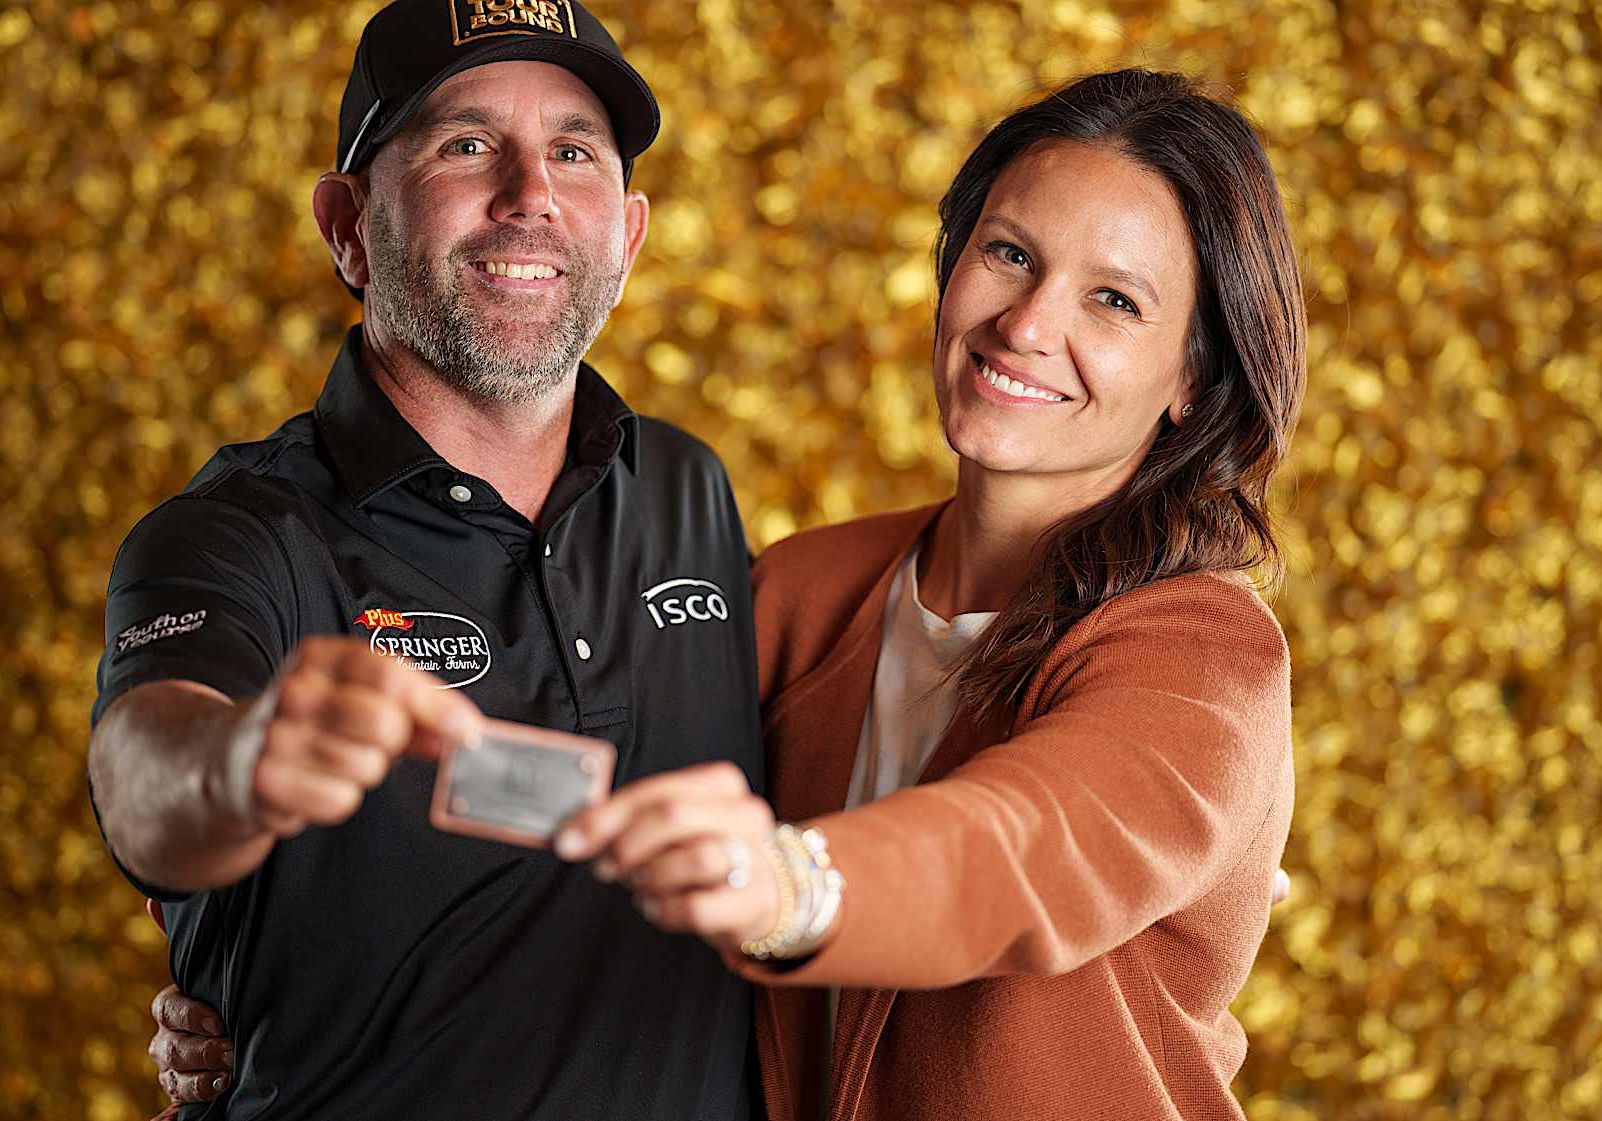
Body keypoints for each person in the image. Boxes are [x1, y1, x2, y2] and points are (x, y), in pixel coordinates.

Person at [148, 67, 1305, 1120]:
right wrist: (276, 980)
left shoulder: (1202, 652)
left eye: (1116, 301)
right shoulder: (807, 588)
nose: (1030, 323)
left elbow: (1022, 851)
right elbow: (595, 784)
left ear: (1193, 381)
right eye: (1009, 253)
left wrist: (787, 882)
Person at [87, 1, 764, 1118]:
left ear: (628, 235)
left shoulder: (691, 490)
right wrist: (237, 762)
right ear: (348, 225)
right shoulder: (236, 533)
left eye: (572, 151)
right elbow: (146, 777)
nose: (530, 195)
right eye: (465, 145)